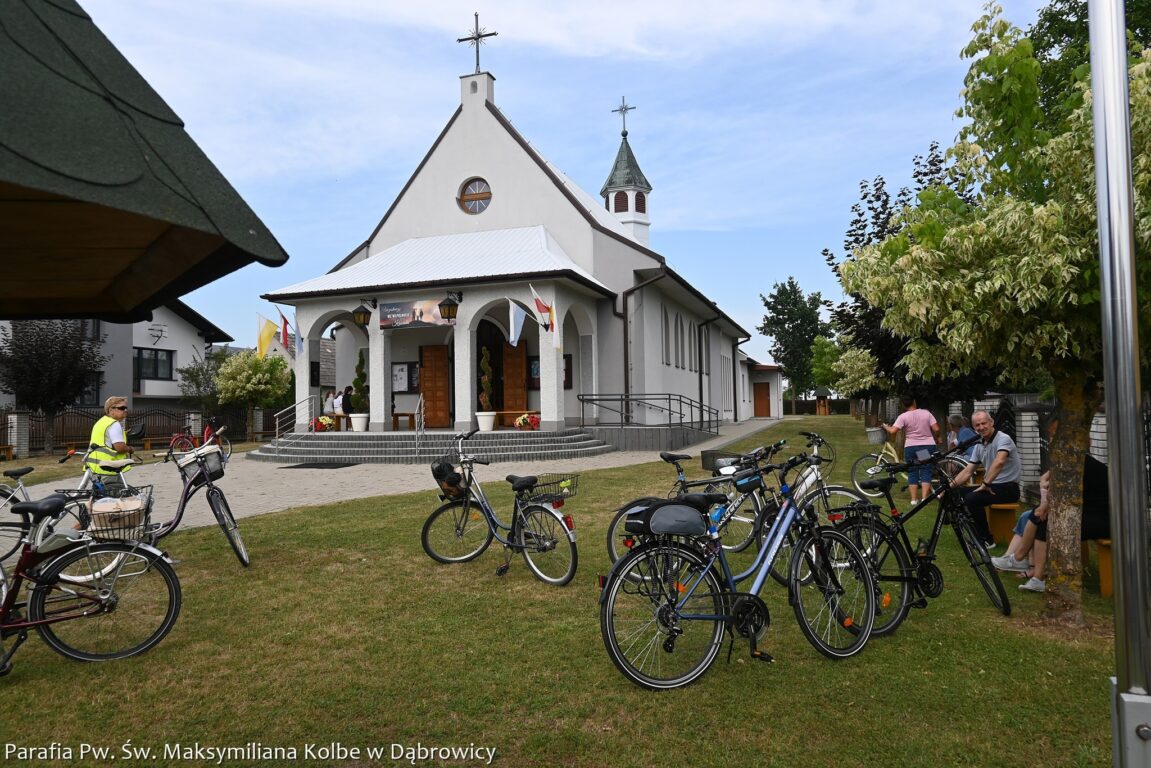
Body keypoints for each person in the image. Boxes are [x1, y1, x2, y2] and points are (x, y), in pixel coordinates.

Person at [949, 410, 1022, 550]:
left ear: (991, 422)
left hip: (1008, 488)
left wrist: (985, 483)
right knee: (956, 493)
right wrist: (949, 487)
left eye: (984, 423)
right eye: (977, 425)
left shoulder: (1003, 439)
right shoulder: (979, 443)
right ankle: (970, 531)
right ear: (973, 427)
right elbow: (968, 470)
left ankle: (986, 540)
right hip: (992, 486)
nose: (981, 427)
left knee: (972, 499)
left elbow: (999, 461)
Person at [880, 395, 941, 503]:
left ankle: (913, 499)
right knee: (925, 469)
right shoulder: (926, 413)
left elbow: (893, 431)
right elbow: (936, 428)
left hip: (911, 447)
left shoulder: (903, 416)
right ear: (914, 401)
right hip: (925, 447)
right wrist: (936, 437)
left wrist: (885, 426)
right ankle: (924, 498)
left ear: (903, 405)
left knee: (912, 471)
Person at [88, 395, 135, 494]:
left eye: (126, 408)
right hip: (108, 468)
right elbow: (119, 447)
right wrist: (130, 449)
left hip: (95, 466)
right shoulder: (114, 424)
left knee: (100, 496)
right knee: (115, 499)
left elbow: (106, 442)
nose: (125, 410)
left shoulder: (101, 422)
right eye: (121, 408)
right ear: (111, 410)